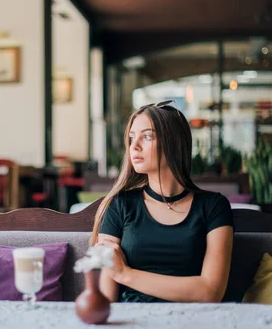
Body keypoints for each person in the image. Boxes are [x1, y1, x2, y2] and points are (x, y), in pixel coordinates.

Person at [93, 101, 234, 303]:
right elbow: (105, 299)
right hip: (132, 321)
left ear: (174, 143)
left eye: (147, 136)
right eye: (132, 138)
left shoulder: (213, 207)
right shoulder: (121, 205)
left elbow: (210, 292)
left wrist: (125, 274)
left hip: (194, 321)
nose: (135, 146)